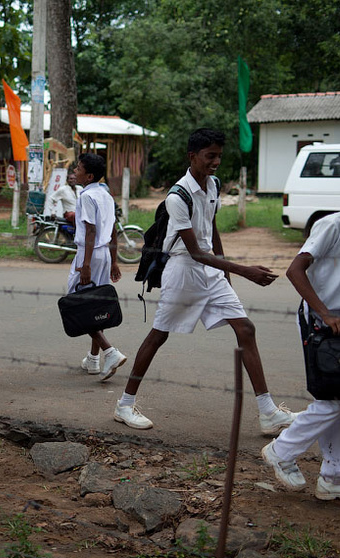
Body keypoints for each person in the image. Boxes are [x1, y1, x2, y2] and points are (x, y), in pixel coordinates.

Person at [115, 129, 297, 433]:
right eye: (209, 156)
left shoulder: (213, 184)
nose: (215, 162)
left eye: (219, 157)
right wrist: (243, 270)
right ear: (192, 157)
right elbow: (196, 252)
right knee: (158, 336)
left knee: (246, 329)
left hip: (212, 269)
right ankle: (124, 404)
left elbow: (211, 231)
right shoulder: (178, 196)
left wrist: (226, 274)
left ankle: (268, 412)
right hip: (184, 270)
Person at [262, 159, 340, 506]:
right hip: (321, 320)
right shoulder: (333, 225)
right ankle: (281, 450)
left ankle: (334, 477)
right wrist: (325, 315)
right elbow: (296, 270)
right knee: (335, 399)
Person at [69, 154, 127, 382]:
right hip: (103, 253)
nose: (75, 170)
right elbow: (112, 230)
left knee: (77, 304)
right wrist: (113, 260)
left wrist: (85, 265)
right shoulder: (105, 195)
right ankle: (93, 359)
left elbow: (90, 232)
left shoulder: (87, 197)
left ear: (89, 175)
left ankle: (109, 352)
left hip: (89, 254)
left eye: (79, 168)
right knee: (94, 304)